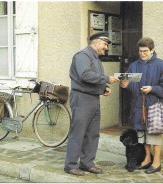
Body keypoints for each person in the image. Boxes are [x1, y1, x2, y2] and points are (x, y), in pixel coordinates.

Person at [64, 31, 119, 176]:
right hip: (82, 99)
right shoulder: (83, 55)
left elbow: (93, 79)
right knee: (78, 133)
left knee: (92, 133)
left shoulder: (95, 58)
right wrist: (106, 79)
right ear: (96, 42)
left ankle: (87, 163)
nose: (106, 48)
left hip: (93, 98)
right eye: (105, 44)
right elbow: (85, 75)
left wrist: (103, 88)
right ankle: (70, 165)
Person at [120, 37, 163, 174]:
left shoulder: (161, 65)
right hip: (139, 105)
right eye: (140, 51)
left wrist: (152, 89)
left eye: (145, 51)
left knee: (154, 134)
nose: (142, 54)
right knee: (142, 133)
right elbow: (131, 87)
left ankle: (157, 162)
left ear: (152, 50)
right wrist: (125, 85)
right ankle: (147, 159)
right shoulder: (134, 65)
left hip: (155, 105)